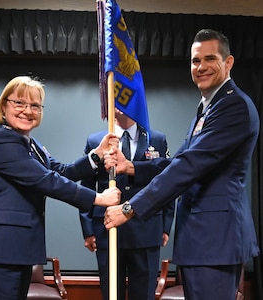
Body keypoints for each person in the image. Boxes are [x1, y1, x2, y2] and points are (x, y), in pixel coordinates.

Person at [103, 29, 260, 300]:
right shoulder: (208, 108)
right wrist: (131, 168)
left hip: (215, 242)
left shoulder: (232, 106)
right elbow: (176, 162)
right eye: (195, 61)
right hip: (201, 241)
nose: (201, 67)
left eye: (209, 59)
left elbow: (189, 167)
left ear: (229, 62)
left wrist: (129, 208)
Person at [0, 75, 121, 300]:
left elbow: (62, 171)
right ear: (4, 105)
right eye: (19, 103)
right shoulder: (1, 141)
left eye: (35, 106)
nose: (27, 111)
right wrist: (98, 198)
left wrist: (95, 156)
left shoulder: (31, 144)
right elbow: (47, 181)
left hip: (17, 250)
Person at [79, 108, 175, 300]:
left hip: (146, 228)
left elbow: (167, 183)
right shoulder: (96, 141)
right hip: (108, 230)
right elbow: (87, 187)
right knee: (111, 294)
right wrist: (88, 229)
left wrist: (165, 225)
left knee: (144, 294)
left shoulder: (156, 139)